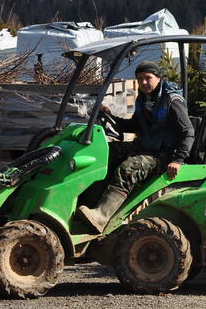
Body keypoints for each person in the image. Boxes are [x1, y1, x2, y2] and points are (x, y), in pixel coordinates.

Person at [77, 60, 194, 231]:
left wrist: (178, 159)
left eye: (148, 78)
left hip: (163, 154)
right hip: (144, 147)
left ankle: (101, 216)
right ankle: (87, 204)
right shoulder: (144, 98)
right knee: (106, 153)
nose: (144, 82)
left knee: (129, 168)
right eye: (140, 79)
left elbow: (188, 132)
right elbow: (134, 125)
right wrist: (111, 116)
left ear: (158, 78)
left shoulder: (172, 100)